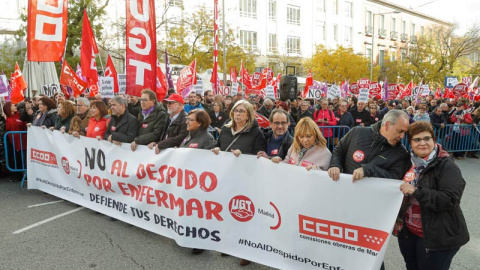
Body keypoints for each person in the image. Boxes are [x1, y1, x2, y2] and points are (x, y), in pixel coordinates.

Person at [396, 121, 469, 270]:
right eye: (417, 139)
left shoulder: (446, 165)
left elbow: (450, 199)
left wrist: (416, 191)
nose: (422, 143)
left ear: (433, 140)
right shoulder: (408, 161)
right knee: (412, 266)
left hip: (437, 236)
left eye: (427, 138)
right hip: (409, 232)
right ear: (410, 142)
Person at [212, 100, 265, 266]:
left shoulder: (256, 133)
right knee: (228, 212)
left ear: (249, 114)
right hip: (227, 178)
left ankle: (247, 250)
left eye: (242, 111)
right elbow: (218, 145)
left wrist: (244, 155)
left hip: (247, 179)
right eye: (236, 111)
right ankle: (229, 244)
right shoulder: (226, 130)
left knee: (245, 215)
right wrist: (215, 149)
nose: (238, 114)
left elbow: (259, 155)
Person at [328, 109, 411, 182]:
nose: (402, 136)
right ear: (387, 125)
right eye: (400, 131)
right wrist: (335, 165)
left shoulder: (401, 153)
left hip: (374, 197)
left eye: (405, 132)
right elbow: (339, 151)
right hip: (345, 191)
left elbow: (395, 178)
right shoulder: (357, 132)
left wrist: (368, 170)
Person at [3, 101, 27, 182]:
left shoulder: (20, 115)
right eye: (13, 106)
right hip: (14, 143)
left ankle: (24, 174)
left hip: (23, 141)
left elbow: (24, 126)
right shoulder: (8, 119)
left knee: (23, 159)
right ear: (8, 108)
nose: (15, 107)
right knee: (16, 159)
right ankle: (18, 175)